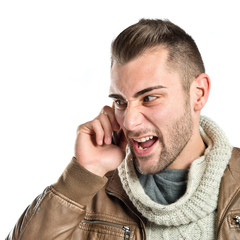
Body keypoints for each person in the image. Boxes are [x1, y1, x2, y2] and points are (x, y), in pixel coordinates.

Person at [7, 19, 240, 240]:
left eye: (149, 97)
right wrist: (82, 175)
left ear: (198, 93)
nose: (129, 122)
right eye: (120, 101)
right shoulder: (91, 190)